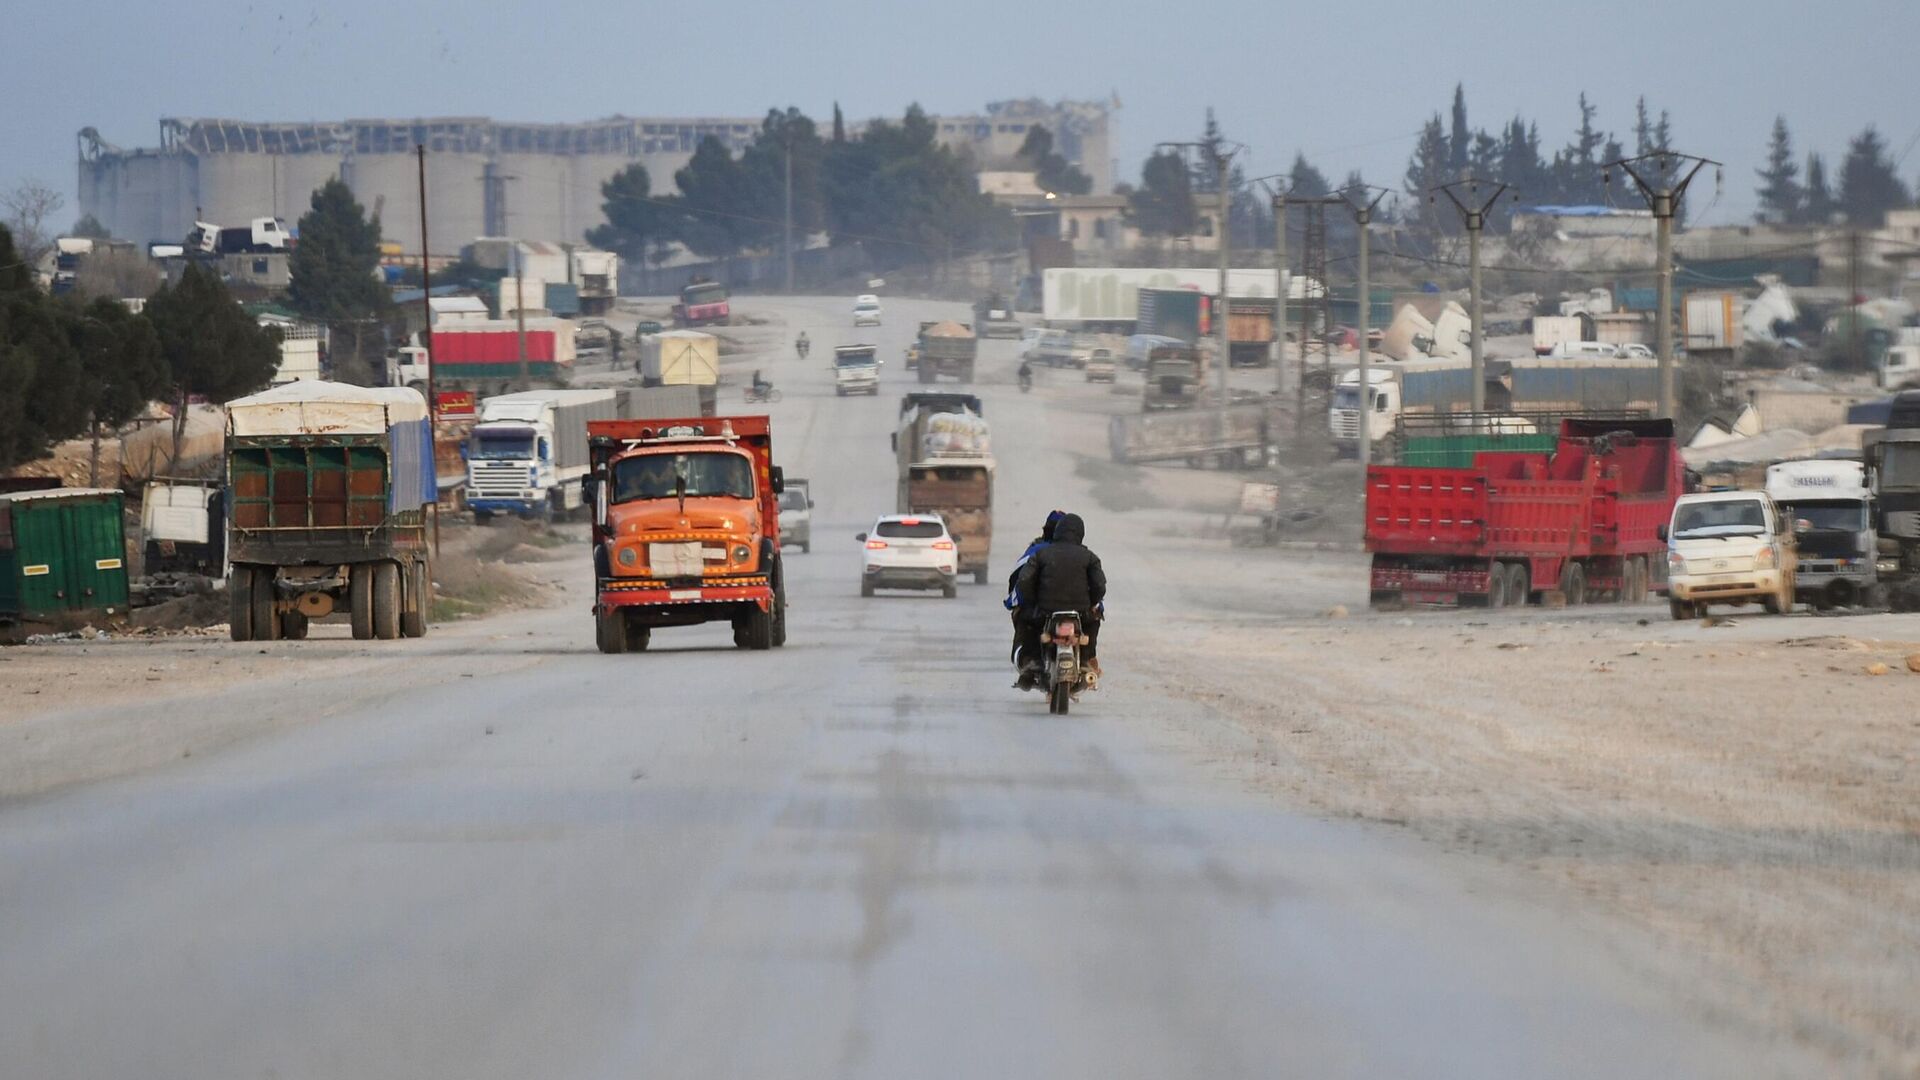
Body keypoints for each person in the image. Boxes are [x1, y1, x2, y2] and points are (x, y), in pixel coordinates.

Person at [1014, 512, 1106, 687]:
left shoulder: (1041, 554)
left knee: (1027, 621)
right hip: (1080, 612)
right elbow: (1100, 586)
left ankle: (1032, 661)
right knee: (1094, 621)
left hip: (1046, 610)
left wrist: (1034, 602)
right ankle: (1086, 660)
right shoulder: (1090, 557)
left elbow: (1024, 580)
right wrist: (1091, 604)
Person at [1005, 510, 1064, 688]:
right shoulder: (1080, 553)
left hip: (1041, 608)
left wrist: (1013, 601)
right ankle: (1087, 660)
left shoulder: (1035, 551)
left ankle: (1028, 659)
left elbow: (1017, 579)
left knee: (1025, 621)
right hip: (1076, 608)